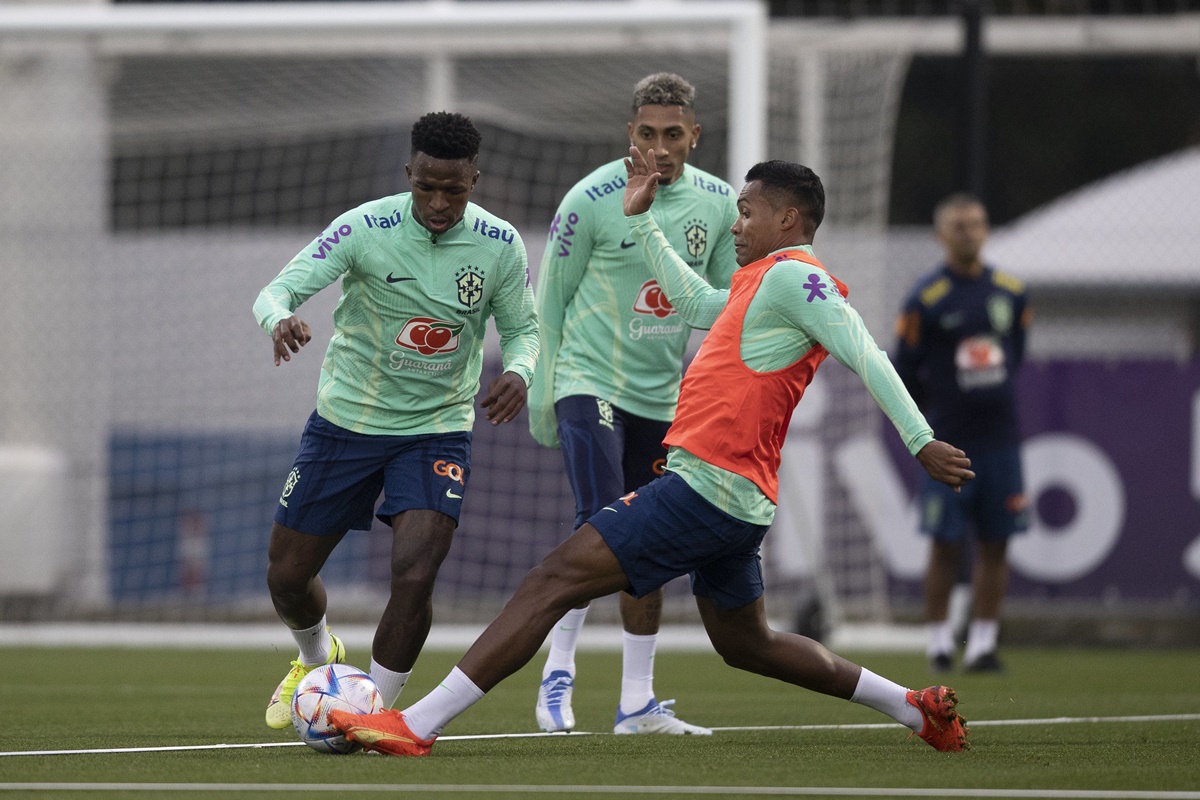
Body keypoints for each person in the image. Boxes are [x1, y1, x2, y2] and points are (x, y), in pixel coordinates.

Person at [327, 148, 975, 756]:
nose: (736, 225)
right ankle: (917, 709)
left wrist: (920, 442)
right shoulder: (759, 283)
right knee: (748, 643)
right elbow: (693, 299)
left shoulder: (798, 280)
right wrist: (644, 224)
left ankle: (415, 725)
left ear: (788, 218)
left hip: (707, 490)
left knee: (549, 581)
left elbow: (866, 352)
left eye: (747, 214)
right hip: (734, 497)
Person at [251, 111, 538, 730]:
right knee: (287, 576)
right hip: (346, 423)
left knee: (415, 571)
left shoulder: (499, 244)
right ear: (409, 173)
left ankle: (372, 711)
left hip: (436, 428)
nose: (439, 202)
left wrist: (520, 371)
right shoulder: (363, 227)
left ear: (474, 180)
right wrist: (280, 320)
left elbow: (524, 331)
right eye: (426, 186)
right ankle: (316, 654)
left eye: (454, 190)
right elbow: (276, 292)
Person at [527, 72, 737, 736]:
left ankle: (637, 703)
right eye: (647, 133)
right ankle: (557, 671)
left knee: (649, 542)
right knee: (600, 521)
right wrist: (542, 394)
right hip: (588, 381)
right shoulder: (589, 200)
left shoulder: (721, 205)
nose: (660, 146)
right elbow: (549, 304)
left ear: (694, 135)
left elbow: (729, 307)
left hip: (664, 398)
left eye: (673, 134)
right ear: (630, 134)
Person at [893, 192, 1031, 674]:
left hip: (1002, 439)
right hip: (949, 442)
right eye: (959, 225)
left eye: (976, 223)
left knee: (997, 543)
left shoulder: (1011, 291)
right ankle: (938, 643)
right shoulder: (926, 298)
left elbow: (1017, 352)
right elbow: (904, 369)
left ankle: (983, 645)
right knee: (944, 543)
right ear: (941, 235)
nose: (969, 232)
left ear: (987, 229)